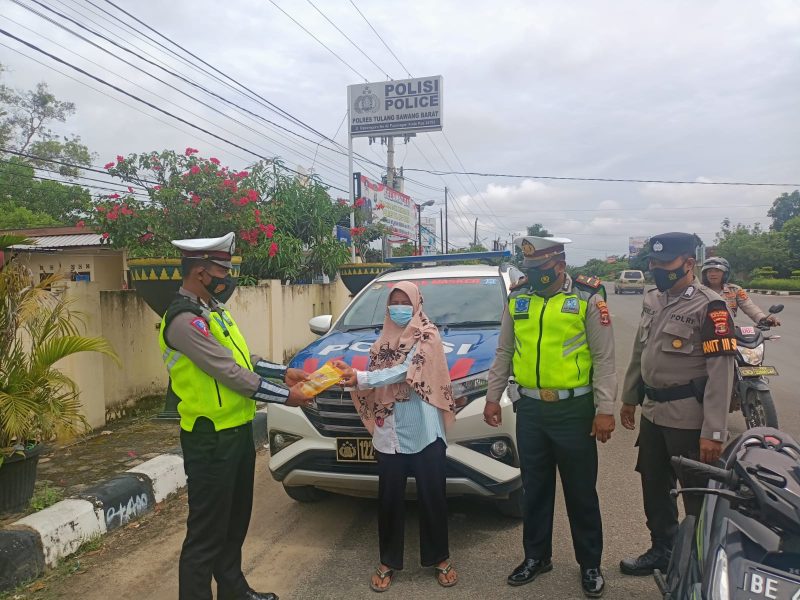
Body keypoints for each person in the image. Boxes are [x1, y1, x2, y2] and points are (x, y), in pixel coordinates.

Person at [159, 232, 313, 600]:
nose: (226, 277)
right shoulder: (184, 320)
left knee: (234, 523)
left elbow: (245, 360)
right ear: (199, 272)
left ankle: (234, 591)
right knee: (206, 533)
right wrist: (286, 396)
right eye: (220, 270)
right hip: (210, 437)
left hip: (236, 430)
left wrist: (283, 372)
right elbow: (229, 373)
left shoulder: (213, 312)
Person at [484, 236, 617, 598]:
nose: (536, 275)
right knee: (535, 490)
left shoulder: (588, 299)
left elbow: (604, 359)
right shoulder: (518, 298)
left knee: (580, 492)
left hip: (574, 410)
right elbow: (504, 351)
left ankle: (590, 564)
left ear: (559, 265)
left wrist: (605, 409)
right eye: (530, 270)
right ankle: (536, 557)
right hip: (530, 410)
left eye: (541, 270)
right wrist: (492, 398)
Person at [619, 233, 736, 577]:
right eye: (653, 263)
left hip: (689, 416)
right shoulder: (653, 298)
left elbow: (721, 372)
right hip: (653, 413)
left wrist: (714, 431)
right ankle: (664, 550)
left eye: (665, 264)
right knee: (654, 485)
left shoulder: (710, 305)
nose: (657, 270)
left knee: (696, 495)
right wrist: (629, 397)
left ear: (689, 263)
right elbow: (641, 353)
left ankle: (701, 564)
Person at [333, 281, 457, 593]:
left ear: (416, 303)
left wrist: (360, 377)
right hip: (389, 432)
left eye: (405, 301)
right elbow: (374, 379)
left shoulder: (428, 335)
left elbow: (405, 372)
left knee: (433, 498)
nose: (398, 307)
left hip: (424, 431)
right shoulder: (382, 341)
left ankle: (440, 559)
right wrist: (348, 374)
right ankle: (388, 561)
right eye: (394, 301)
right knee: (388, 500)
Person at [701, 256, 780, 325]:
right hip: (701, 333)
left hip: (728, 333)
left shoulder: (735, 290)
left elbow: (748, 306)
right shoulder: (698, 291)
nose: (712, 274)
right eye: (709, 271)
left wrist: (763, 319)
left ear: (725, 273)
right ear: (705, 274)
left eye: (717, 271)